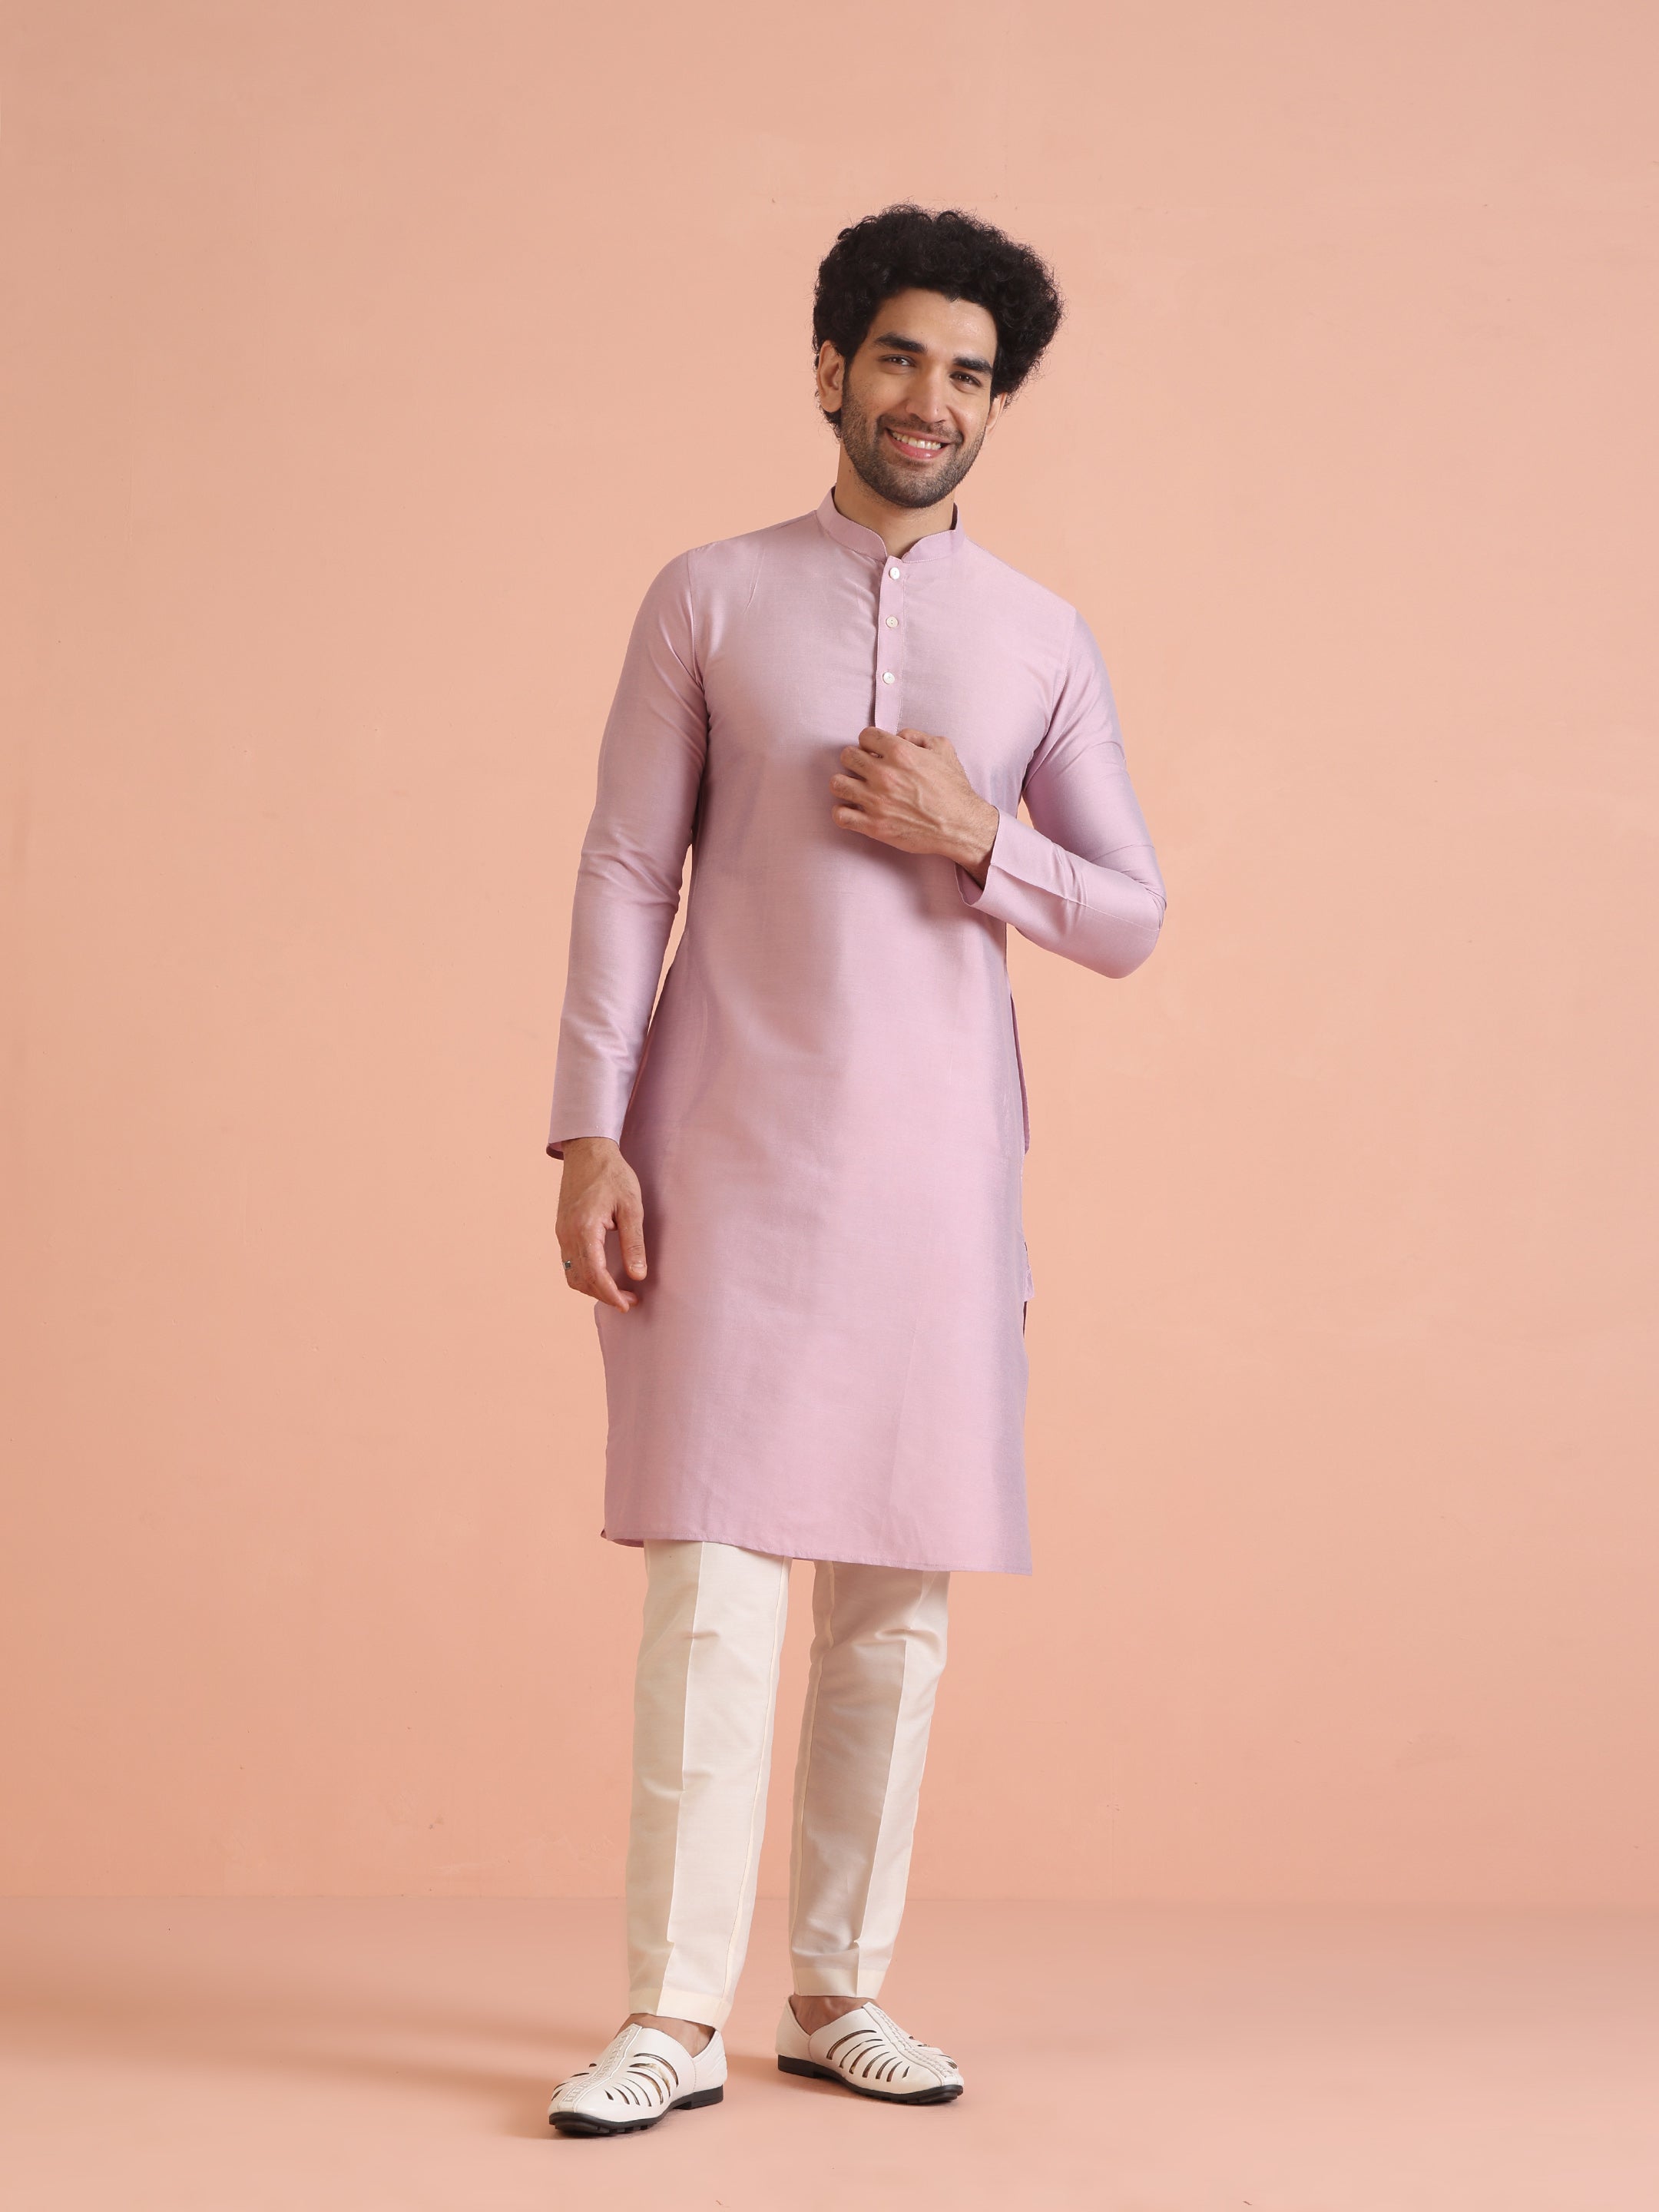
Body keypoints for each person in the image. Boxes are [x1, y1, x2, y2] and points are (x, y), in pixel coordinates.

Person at [543, 204, 1167, 2137]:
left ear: (995, 407)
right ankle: (669, 2017)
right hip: (720, 1151)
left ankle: (837, 1992)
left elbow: (1132, 914)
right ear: (832, 369)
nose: (931, 399)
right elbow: (627, 867)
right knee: (714, 1589)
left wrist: (982, 836)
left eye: (971, 374)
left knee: (895, 1595)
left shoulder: (1042, 637)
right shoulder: (710, 596)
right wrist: (587, 1129)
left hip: (936, 1181)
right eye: (901, 356)